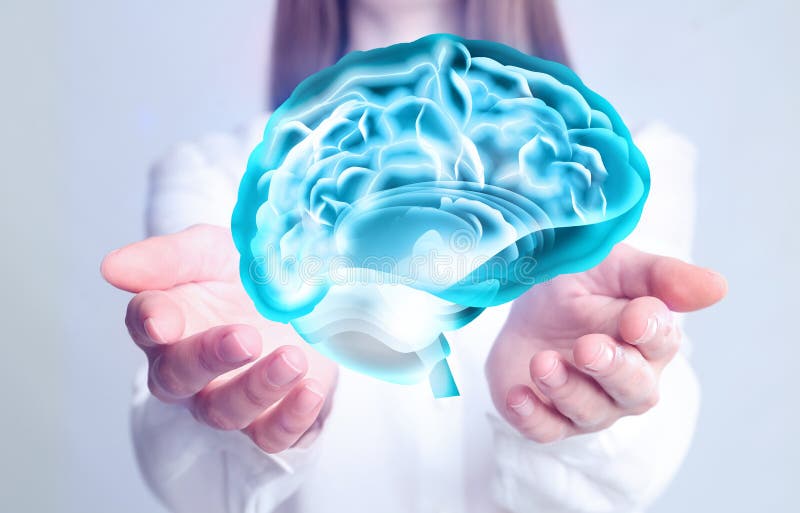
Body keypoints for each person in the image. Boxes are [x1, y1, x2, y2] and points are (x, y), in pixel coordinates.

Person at [100, 1, 728, 512]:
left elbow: (637, 463)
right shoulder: (217, 175)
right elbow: (199, 487)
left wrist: (573, 406)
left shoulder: (636, 169)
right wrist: (259, 398)